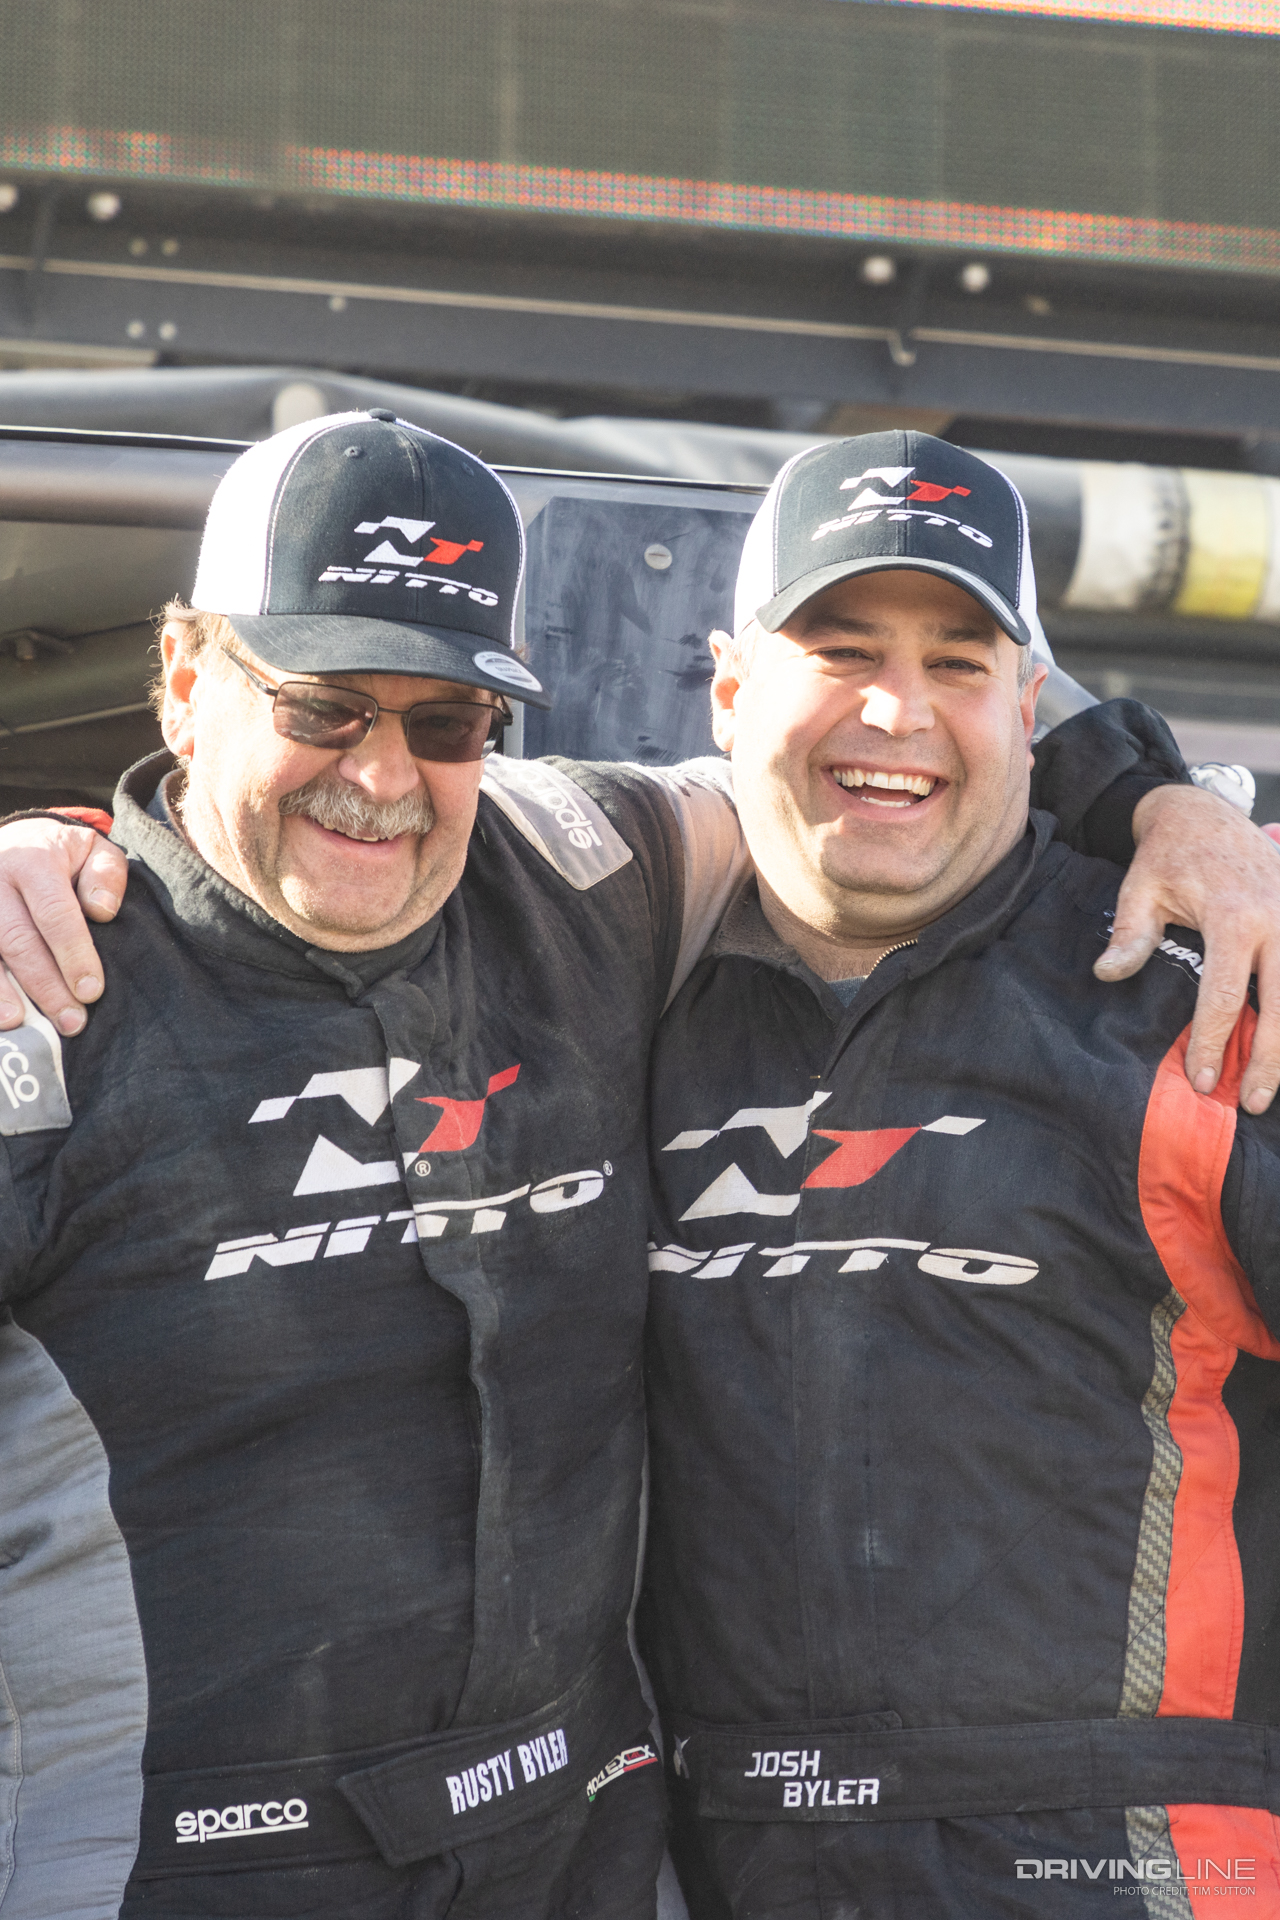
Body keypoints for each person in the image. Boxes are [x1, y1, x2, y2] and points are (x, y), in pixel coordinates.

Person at [0, 422, 1273, 1919]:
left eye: (452, 720)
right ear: (183, 678)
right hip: (163, 1863)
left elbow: (904, 757)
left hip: (599, 1860)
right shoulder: (42, 997)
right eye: (325, 707)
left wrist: (1172, 803)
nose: (384, 775)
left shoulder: (590, 873)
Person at [637, 436, 1280, 1916]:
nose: (897, 711)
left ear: (1029, 707)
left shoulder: (1204, 995)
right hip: (710, 1861)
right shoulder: (614, 995)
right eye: (842, 648)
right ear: (730, 690)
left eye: (959, 661)